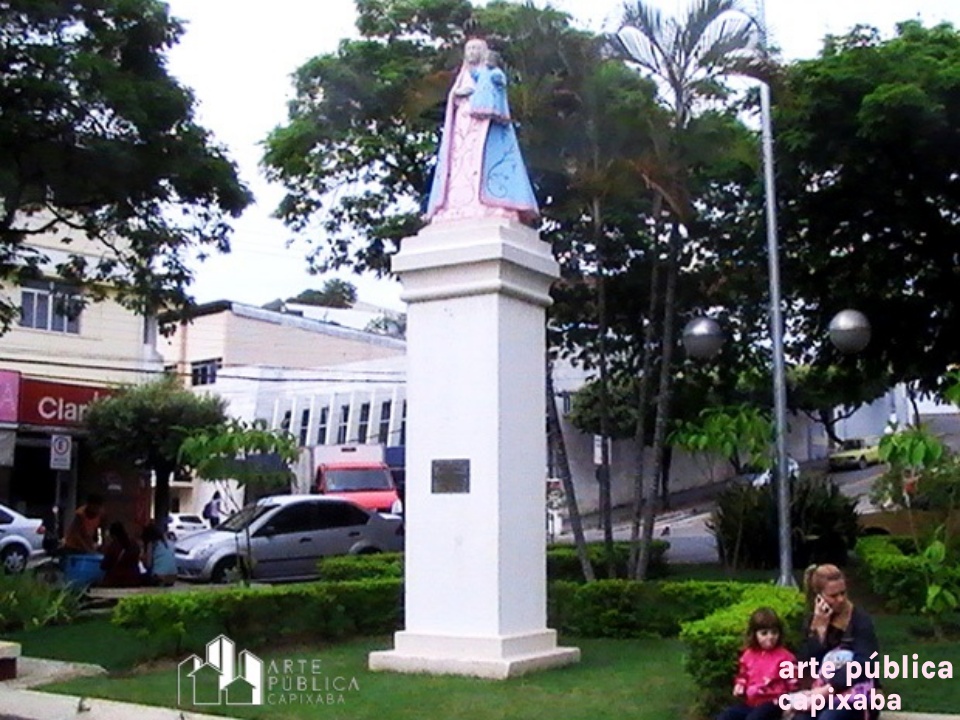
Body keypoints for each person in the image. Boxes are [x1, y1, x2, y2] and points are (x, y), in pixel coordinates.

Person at [425, 36, 539, 225]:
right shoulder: (463, 75)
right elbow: (454, 96)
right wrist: (457, 95)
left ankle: (490, 202)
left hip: (485, 127)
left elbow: (498, 87)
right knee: (460, 164)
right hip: (462, 125)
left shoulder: (491, 72)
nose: (472, 53)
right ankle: (455, 204)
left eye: (476, 49)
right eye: (469, 49)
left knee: (485, 161)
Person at [792, 564, 880, 720]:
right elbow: (807, 666)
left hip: (856, 694)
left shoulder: (860, 620)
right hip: (820, 693)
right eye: (833, 596)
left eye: (843, 593)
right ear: (819, 597)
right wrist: (819, 631)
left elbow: (865, 664)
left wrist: (828, 689)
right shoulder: (814, 620)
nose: (840, 599)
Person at [717, 607, 797, 720]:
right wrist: (740, 685)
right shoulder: (748, 655)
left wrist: (790, 704)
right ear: (754, 634)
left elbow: (793, 684)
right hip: (751, 703)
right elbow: (743, 675)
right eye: (764, 633)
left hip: (774, 703)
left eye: (774, 632)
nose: (770, 637)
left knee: (755, 717)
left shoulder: (785, 657)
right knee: (727, 716)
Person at [99, 522, 142, 587]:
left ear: (113, 535)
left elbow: (104, 565)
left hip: (117, 580)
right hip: (134, 579)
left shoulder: (114, 546)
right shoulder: (134, 544)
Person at [141, 522, 177, 586]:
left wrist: (143, 559)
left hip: (159, 578)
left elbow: (148, 564)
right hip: (172, 577)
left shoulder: (152, 544)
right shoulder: (170, 542)